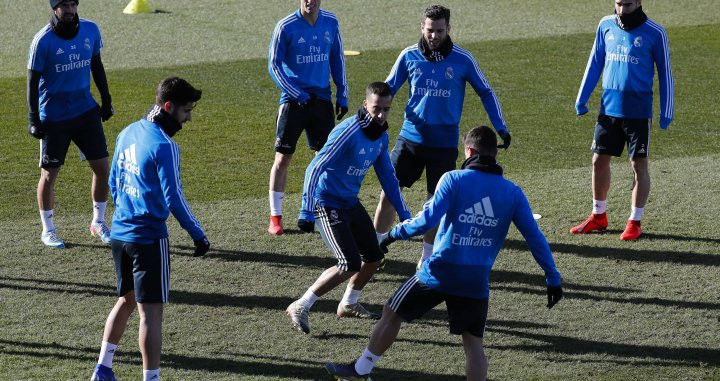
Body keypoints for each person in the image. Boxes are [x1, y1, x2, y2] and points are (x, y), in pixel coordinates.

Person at [325, 126, 563, 381]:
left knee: (392, 312)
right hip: (475, 281)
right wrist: (553, 277)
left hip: (439, 272)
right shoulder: (513, 192)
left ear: (469, 150)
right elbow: (535, 238)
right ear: (495, 154)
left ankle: (361, 371)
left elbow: (425, 221)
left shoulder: (453, 179)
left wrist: (392, 235)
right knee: (473, 344)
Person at [90, 77, 210, 381]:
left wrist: (125, 212)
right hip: (148, 238)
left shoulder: (128, 131)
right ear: (168, 107)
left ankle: (103, 368)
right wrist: (198, 235)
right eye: (185, 111)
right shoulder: (165, 145)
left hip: (120, 233)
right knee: (151, 313)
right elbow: (175, 199)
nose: (189, 118)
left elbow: (114, 181)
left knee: (126, 301)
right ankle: (151, 378)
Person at [373, 4, 510, 265]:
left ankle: (426, 259)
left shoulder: (463, 59)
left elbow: (486, 92)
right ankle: (375, 248)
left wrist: (500, 126)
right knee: (388, 194)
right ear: (421, 28)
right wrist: (370, 118)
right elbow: (387, 89)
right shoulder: (408, 55)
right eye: (429, 30)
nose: (433, 36)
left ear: (448, 29)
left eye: (439, 31)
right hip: (409, 140)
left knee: (434, 206)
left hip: (444, 146)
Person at [286, 82, 411, 334]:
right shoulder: (347, 131)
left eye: (386, 110)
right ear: (366, 104)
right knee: (349, 263)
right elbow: (314, 167)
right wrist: (306, 211)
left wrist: (405, 213)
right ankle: (301, 304)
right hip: (327, 202)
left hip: (350, 203)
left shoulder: (381, 136)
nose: (381, 115)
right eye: (377, 108)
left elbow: (388, 177)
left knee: (374, 257)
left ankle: (348, 303)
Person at [571, 0, 674, 240]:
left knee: (638, 165)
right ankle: (598, 215)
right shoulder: (605, 25)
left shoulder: (655, 32)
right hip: (608, 109)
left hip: (638, 112)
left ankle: (635, 221)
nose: (622, 9)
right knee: (598, 161)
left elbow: (665, 73)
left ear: (639, 2)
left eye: (627, 4)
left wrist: (666, 112)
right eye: (619, 4)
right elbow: (594, 62)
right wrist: (581, 98)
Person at [27, 0, 115, 248]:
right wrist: (33, 119)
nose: (69, 10)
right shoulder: (42, 41)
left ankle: (98, 222)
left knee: (101, 168)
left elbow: (96, 65)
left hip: (85, 112)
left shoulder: (91, 30)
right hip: (54, 118)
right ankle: (49, 230)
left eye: (72, 4)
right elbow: (32, 82)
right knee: (49, 174)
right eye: (63, 5)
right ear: (54, 8)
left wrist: (106, 100)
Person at [267, 0, 349, 235]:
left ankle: (315, 210)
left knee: (324, 159)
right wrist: (297, 93)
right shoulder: (286, 26)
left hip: (321, 101)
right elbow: (274, 65)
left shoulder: (331, 22)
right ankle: (275, 218)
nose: (309, 1)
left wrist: (342, 94)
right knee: (282, 159)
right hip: (293, 102)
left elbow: (337, 58)